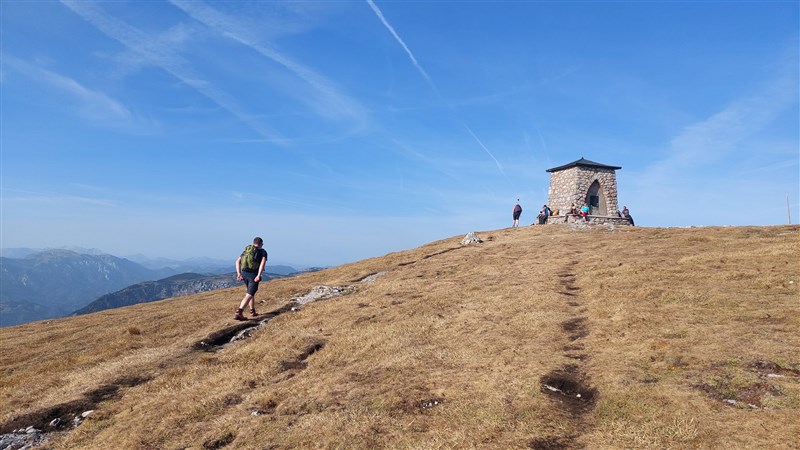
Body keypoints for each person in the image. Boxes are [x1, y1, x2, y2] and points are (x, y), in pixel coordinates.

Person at [234, 236, 268, 320]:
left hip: (244, 273)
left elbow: (237, 261)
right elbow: (262, 264)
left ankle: (252, 311)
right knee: (249, 294)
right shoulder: (262, 252)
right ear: (261, 244)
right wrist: (258, 275)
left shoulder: (247, 250)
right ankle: (239, 312)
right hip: (253, 275)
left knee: (250, 293)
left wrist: (239, 274)